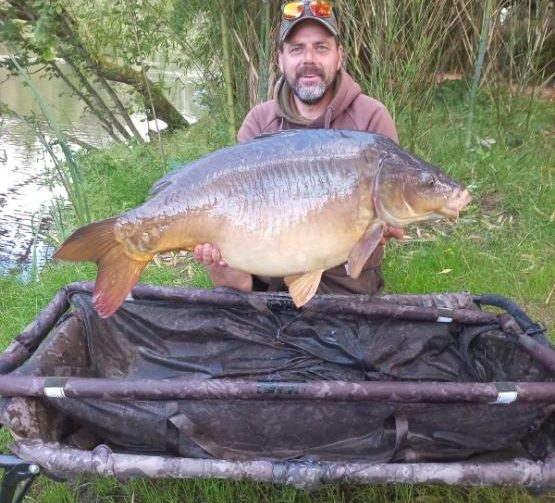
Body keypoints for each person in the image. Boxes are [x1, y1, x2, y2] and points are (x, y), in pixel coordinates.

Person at [193, 0, 402, 297]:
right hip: (267, 274)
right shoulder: (260, 122)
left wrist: (384, 224)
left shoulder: (371, 119)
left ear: (339, 56)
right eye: (296, 49)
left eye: (321, 47)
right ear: (280, 60)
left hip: (346, 284)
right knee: (226, 273)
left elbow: (388, 206)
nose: (309, 59)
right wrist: (224, 261)